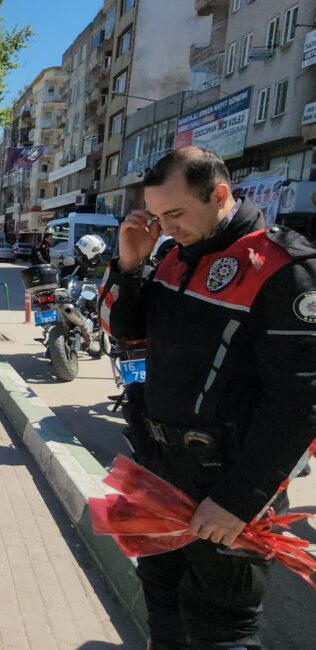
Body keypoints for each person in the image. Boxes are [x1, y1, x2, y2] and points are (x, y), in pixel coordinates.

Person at [102, 146, 316, 648]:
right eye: (157, 216)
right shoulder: (172, 258)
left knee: (220, 628)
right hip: (160, 472)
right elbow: (123, 331)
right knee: (162, 604)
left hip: (226, 483)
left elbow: (301, 403)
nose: (166, 227)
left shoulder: (282, 267)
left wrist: (237, 502)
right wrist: (129, 265)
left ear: (219, 195)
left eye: (175, 213)